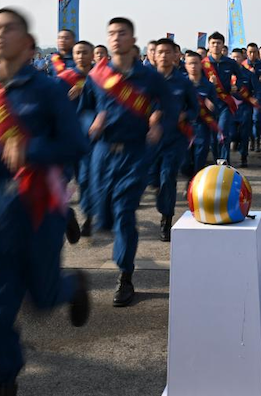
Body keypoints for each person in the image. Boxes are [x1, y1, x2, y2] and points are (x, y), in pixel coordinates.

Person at [0, 8, 90, 395]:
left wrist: (32, 148)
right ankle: (4, 380)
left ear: (27, 44)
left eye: (7, 28)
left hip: (39, 205)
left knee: (42, 298)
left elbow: (76, 144)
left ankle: (72, 285)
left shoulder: (48, 90)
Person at [79, 17, 174, 307]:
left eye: (122, 33)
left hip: (135, 152)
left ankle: (125, 275)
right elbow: (83, 110)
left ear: (132, 39)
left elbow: (170, 106)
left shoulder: (149, 77)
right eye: (111, 33)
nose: (116, 37)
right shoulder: (97, 76)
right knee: (102, 213)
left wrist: (159, 123)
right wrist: (91, 121)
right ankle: (111, 235)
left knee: (124, 212)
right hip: (103, 153)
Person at [149, 38, 197, 240]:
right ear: (153, 55)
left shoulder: (183, 82)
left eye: (168, 52)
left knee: (168, 176)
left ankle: (166, 218)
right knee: (154, 180)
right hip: (149, 140)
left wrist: (184, 115)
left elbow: (195, 109)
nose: (164, 56)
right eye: (160, 52)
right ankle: (162, 201)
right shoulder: (145, 80)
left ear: (176, 55)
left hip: (175, 139)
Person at [56, 41, 96, 237]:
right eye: (77, 53)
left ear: (92, 56)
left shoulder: (100, 78)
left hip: (89, 139)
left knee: (86, 180)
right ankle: (64, 215)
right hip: (65, 138)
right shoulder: (64, 79)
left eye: (85, 52)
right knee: (61, 179)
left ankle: (88, 217)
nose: (81, 56)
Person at [203, 32, 242, 163]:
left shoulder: (230, 63)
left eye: (218, 43)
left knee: (224, 133)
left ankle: (225, 162)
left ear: (223, 45)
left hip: (225, 103)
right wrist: (208, 84)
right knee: (213, 137)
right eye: (213, 43)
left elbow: (242, 77)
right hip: (209, 104)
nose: (216, 45)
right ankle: (216, 162)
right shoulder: (203, 64)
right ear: (209, 45)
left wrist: (237, 85)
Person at [183, 51, 219, 181]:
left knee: (200, 160)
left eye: (196, 63)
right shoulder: (181, 84)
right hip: (183, 127)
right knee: (184, 163)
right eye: (190, 63)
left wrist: (211, 106)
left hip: (202, 127)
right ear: (185, 65)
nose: (193, 66)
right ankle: (189, 179)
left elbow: (216, 110)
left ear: (201, 65)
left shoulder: (208, 86)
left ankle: (193, 185)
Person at [244, 43, 261, 152]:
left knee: (257, 118)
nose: (252, 54)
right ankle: (251, 140)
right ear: (247, 53)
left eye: (254, 52)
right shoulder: (243, 65)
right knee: (248, 120)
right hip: (246, 97)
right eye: (250, 52)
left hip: (258, 95)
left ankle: (257, 140)